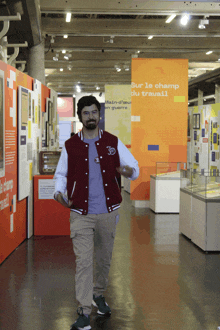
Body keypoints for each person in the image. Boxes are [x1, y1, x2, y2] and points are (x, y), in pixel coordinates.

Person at [53, 95, 139, 330]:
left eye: (94, 112)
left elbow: (135, 168)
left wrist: (128, 170)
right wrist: (59, 193)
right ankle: (83, 310)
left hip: (108, 212)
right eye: (86, 113)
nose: (90, 117)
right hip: (80, 212)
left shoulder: (112, 142)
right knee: (83, 262)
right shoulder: (70, 146)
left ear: (99, 115)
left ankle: (98, 294)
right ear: (80, 117)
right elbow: (61, 174)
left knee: (103, 259)